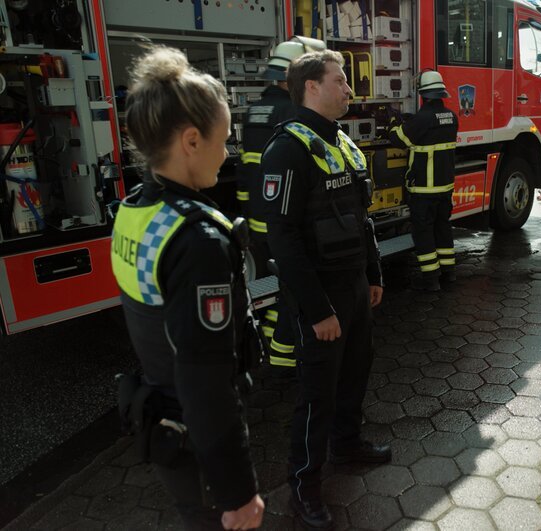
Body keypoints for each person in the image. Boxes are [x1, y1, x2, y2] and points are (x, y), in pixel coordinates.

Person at [110, 46, 264, 530]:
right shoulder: (196, 241)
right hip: (197, 444)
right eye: (224, 139)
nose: (229, 151)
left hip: (164, 423)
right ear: (192, 140)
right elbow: (206, 382)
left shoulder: (135, 208)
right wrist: (238, 493)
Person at [254, 50, 387, 529]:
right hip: (321, 297)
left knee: (355, 374)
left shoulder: (341, 143)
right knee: (317, 395)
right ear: (311, 86)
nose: (350, 89)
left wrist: (373, 276)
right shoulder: (286, 149)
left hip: (353, 286)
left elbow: (362, 219)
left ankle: (348, 446)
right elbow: (283, 241)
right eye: (341, 80)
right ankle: (304, 486)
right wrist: (316, 311)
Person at [236, 37, 323, 373]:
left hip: (257, 217)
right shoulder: (293, 112)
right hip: (283, 218)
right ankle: (286, 358)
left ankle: (269, 347)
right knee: (292, 287)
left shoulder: (254, 109)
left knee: (272, 287)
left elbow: (246, 168)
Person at [388, 70, 458, 291]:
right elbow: (431, 131)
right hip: (445, 188)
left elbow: (399, 139)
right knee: (442, 228)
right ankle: (448, 272)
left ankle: (431, 279)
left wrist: (392, 122)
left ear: (423, 96)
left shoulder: (422, 119)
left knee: (424, 232)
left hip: (423, 190)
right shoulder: (452, 117)